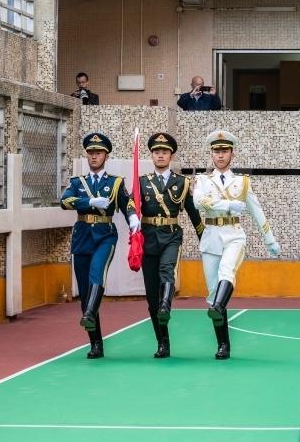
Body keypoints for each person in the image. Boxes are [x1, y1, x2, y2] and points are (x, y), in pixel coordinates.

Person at [192, 130, 280, 359]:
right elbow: (198, 202)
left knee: (227, 271)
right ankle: (223, 344)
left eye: (224, 151)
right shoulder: (203, 180)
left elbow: (256, 209)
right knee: (213, 293)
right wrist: (228, 205)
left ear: (232, 153)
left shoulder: (242, 182)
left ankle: (220, 308)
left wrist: (269, 239)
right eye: (216, 151)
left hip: (234, 235)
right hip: (211, 236)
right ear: (211, 153)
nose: (220, 156)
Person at [60, 132, 140, 359]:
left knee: (97, 272)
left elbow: (127, 204)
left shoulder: (115, 183)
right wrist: (89, 202)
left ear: (106, 155)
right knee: (85, 292)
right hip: (82, 236)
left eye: (98, 153)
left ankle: (90, 313)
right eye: (91, 153)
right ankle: (96, 342)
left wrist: (133, 219)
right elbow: (64, 201)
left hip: (105, 236)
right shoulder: (77, 183)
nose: (94, 157)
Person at [137, 132, 204, 358]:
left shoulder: (182, 183)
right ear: (152, 155)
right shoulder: (142, 182)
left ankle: (166, 305)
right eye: (157, 152)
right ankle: (162, 342)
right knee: (150, 295)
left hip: (171, 235)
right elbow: (130, 205)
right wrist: (131, 217)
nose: (161, 155)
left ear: (171, 155)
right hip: (147, 238)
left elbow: (194, 214)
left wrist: (205, 240)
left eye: (164, 152)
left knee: (168, 271)